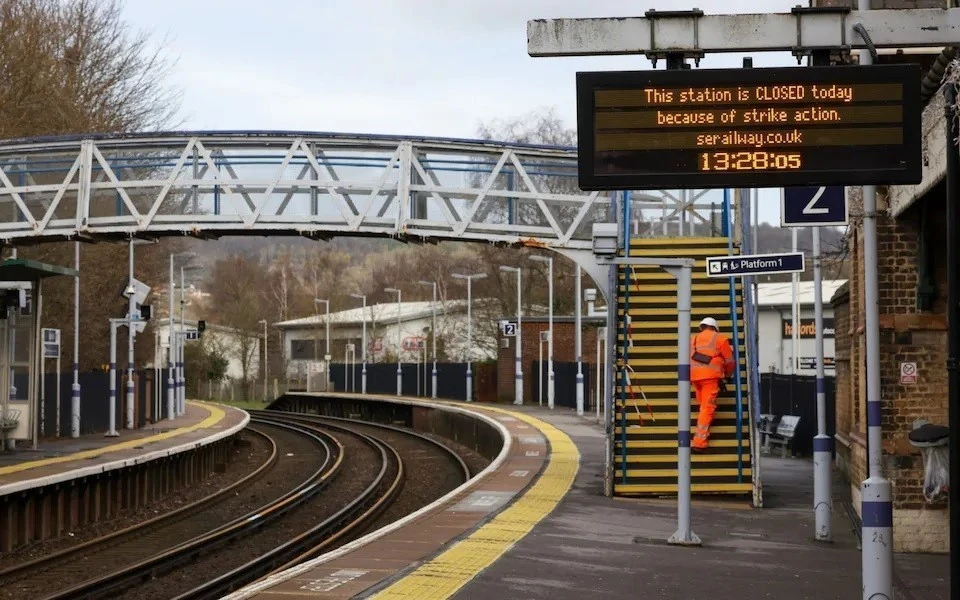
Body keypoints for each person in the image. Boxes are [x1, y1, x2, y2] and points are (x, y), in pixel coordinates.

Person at [690, 317, 735, 451]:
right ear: (715, 327)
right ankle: (699, 442)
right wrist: (727, 375)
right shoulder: (720, 339)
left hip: (695, 377)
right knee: (707, 409)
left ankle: (703, 430)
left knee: (703, 407)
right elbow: (730, 362)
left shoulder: (694, 339)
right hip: (710, 378)